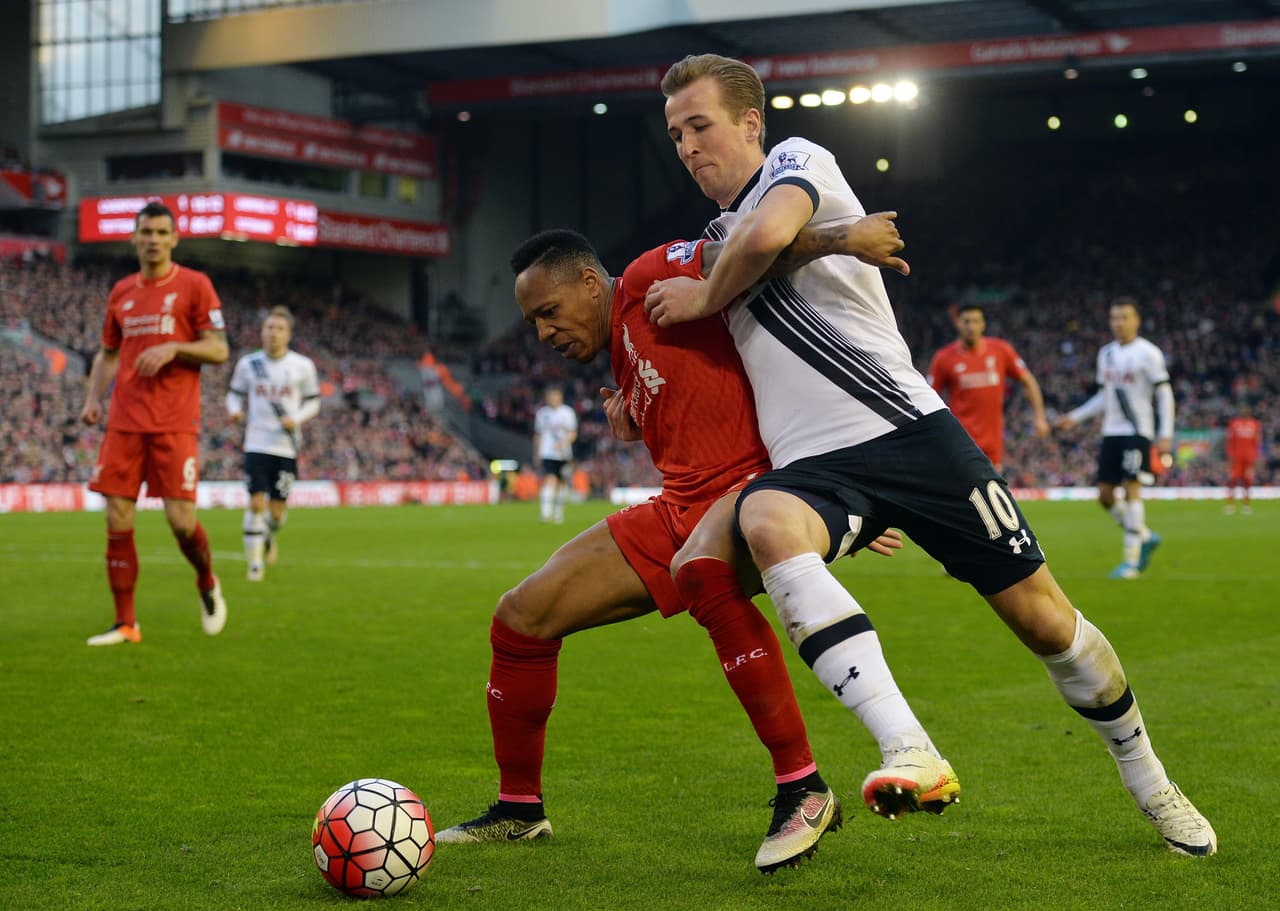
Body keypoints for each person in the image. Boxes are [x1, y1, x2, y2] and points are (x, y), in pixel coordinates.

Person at [645, 53, 1214, 856]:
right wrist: (632, 397)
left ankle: (1150, 776)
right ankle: (910, 747)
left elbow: (769, 234)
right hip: (816, 467)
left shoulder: (797, 160)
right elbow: (694, 337)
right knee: (769, 520)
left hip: (913, 436)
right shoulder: (706, 244)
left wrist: (709, 293)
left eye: (700, 125)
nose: (688, 146)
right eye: (675, 135)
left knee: (1045, 622)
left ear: (749, 123)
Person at [438, 219, 909, 873]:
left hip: (754, 495)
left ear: (587, 281)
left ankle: (803, 785)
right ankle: (519, 809)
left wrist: (841, 237)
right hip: (681, 507)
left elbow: (751, 249)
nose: (543, 334)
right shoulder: (623, 345)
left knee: (703, 570)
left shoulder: (649, 276)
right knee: (520, 618)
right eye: (532, 323)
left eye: (548, 312)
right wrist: (635, 420)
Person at [79, 201, 229, 645]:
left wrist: (174, 348)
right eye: (146, 232)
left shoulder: (195, 285)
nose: (153, 240)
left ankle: (206, 581)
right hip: (125, 420)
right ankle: (126, 622)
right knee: (116, 514)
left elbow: (219, 349)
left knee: (181, 522)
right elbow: (108, 353)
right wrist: (93, 399)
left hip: (174, 421)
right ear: (134, 237)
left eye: (162, 233)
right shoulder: (122, 291)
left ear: (174, 239)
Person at [1055, 297, 1174, 579]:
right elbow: (1103, 397)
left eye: (1124, 317)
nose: (1118, 323)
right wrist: (1075, 417)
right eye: (1114, 318)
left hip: (1137, 431)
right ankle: (1144, 534)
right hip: (1112, 431)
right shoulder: (1106, 354)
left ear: (1136, 320)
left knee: (1132, 488)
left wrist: (1165, 433)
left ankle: (1131, 561)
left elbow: (1164, 393)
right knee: (1105, 496)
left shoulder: (1148, 353)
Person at [225, 305, 320, 580]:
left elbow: (313, 401)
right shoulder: (248, 364)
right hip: (256, 442)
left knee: (276, 512)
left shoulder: (302, 366)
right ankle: (255, 566)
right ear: (262, 332)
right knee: (255, 503)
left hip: (286, 445)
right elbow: (233, 394)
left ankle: (268, 533)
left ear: (288, 335)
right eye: (269, 328)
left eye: (279, 329)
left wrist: (296, 417)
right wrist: (233, 410)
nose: (273, 333)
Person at [927, 304, 1050, 473]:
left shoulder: (1001, 350)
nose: (971, 327)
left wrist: (1040, 417)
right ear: (958, 324)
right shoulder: (943, 358)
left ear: (983, 324)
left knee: (992, 493)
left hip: (992, 442)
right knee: (964, 492)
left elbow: (1028, 380)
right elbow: (928, 396)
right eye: (966, 321)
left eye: (976, 321)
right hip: (960, 439)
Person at [532, 386, 577, 524]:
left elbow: (573, 433)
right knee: (550, 479)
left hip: (564, 453)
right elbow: (538, 435)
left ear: (560, 397)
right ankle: (546, 513)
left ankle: (558, 514)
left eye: (555, 396)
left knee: (562, 483)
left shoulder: (568, 412)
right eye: (551, 397)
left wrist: (563, 443)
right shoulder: (542, 413)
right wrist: (537, 453)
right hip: (548, 452)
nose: (553, 399)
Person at [1223, 402, 1262, 514]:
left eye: (1247, 410)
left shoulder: (1254, 424)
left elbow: (1257, 442)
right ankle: (1230, 505)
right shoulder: (1234, 424)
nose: (1245, 412)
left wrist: (1256, 457)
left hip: (1249, 458)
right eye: (1243, 410)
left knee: (1248, 481)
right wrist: (1230, 456)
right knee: (1232, 480)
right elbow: (1230, 441)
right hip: (1236, 458)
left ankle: (1246, 505)